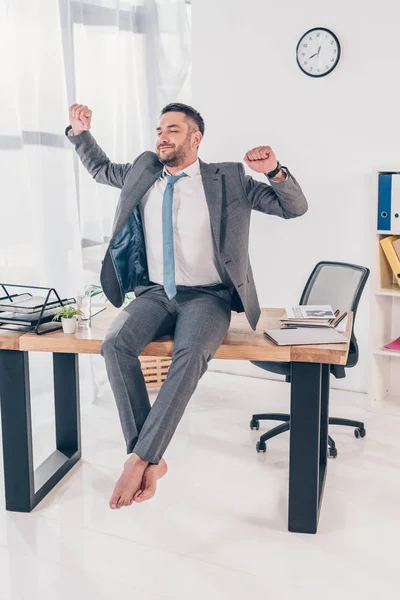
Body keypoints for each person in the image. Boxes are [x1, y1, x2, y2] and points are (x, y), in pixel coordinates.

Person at [65, 102, 308, 509]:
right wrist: (80, 133)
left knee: (191, 351)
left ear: (196, 138)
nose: (162, 136)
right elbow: (100, 169)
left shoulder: (228, 178)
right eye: (160, 129)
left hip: (208, 296)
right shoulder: (143, 171)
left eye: (173, 129)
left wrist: (274, 171)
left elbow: (293, 207)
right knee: (115, 344)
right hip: (156, 293)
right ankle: (148, 458)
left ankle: (139, 459)